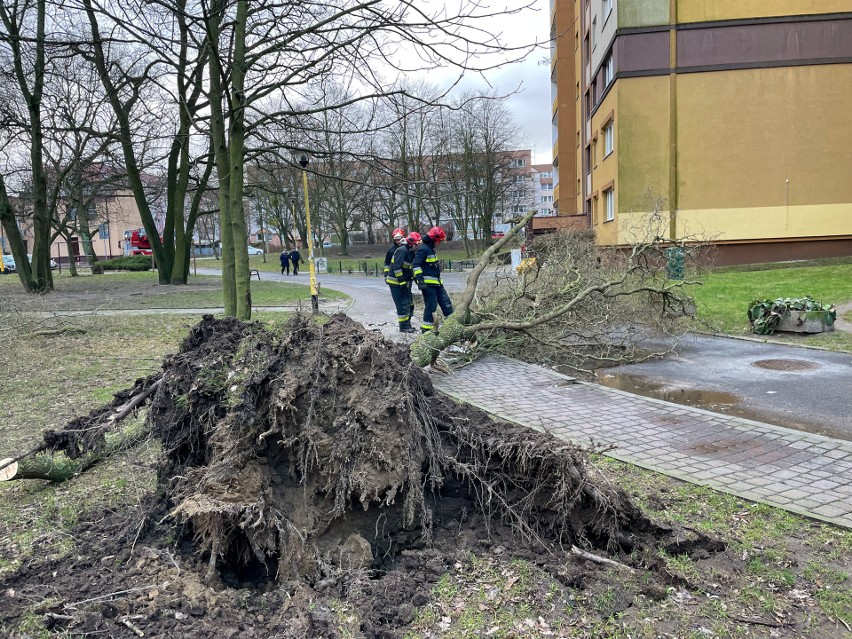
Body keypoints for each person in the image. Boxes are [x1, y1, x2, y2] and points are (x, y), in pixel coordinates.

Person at [412, 226, 453, 333]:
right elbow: (416, 265)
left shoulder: (430, 249)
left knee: (446, 303)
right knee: (431, 307)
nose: (440, 243)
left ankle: (453, 325)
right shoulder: (423, 249)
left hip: (437, 283)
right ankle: (427, 330)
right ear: (435, 239)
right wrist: (420, 281)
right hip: (428, 285)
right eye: (439, 241)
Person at [387, 232, 421, 333]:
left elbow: (410, 268)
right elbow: (397, 268)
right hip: (396, 283)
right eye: (416, 244)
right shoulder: (402, 250)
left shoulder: (410, 252)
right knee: (402, 305)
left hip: (405, 282)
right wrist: (401, 282)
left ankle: (408, 324)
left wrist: (418, 281)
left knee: (409, 303)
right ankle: (404, 327)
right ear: (410, 243)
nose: (417, 246)